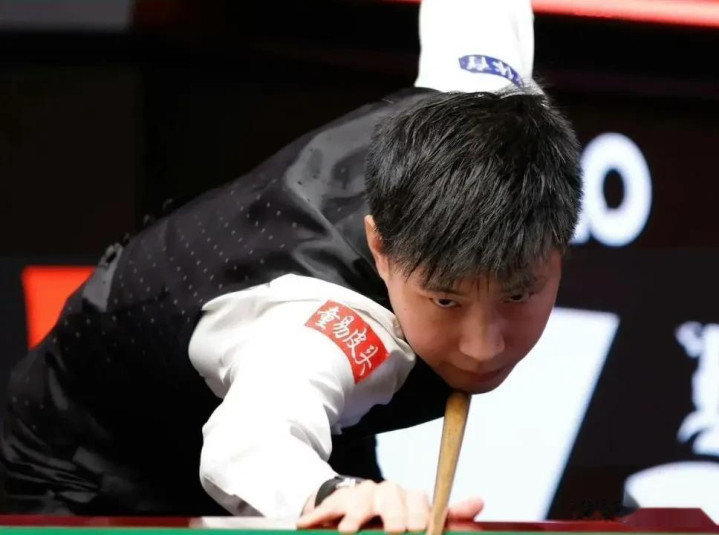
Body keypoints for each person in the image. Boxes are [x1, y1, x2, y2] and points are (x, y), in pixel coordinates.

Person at [0, 0, 582, 531]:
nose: (482, 346)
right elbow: (251, 442)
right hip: (85, 459)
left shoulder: (493, 109)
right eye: (446, 300)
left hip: (294, 415)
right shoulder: (319, 329)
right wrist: (332, 492)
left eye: (517, 294)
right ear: (380, 249)